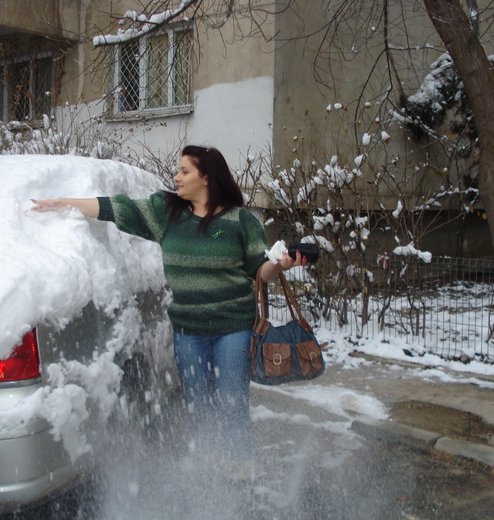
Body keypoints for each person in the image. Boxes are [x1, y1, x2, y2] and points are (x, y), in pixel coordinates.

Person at [32, 145, 305, 474]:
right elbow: (117, 208)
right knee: (198, 403)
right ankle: (206, 467)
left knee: (232, 402)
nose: (176, 177)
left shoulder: (239, 221)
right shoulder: (167, 213)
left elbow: (258, 271)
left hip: (233, 328)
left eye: (184, 171)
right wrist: (63, 203)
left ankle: (238, 473)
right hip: (188, 331)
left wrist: (281, 265)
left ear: (206, 178)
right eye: (177, 171)